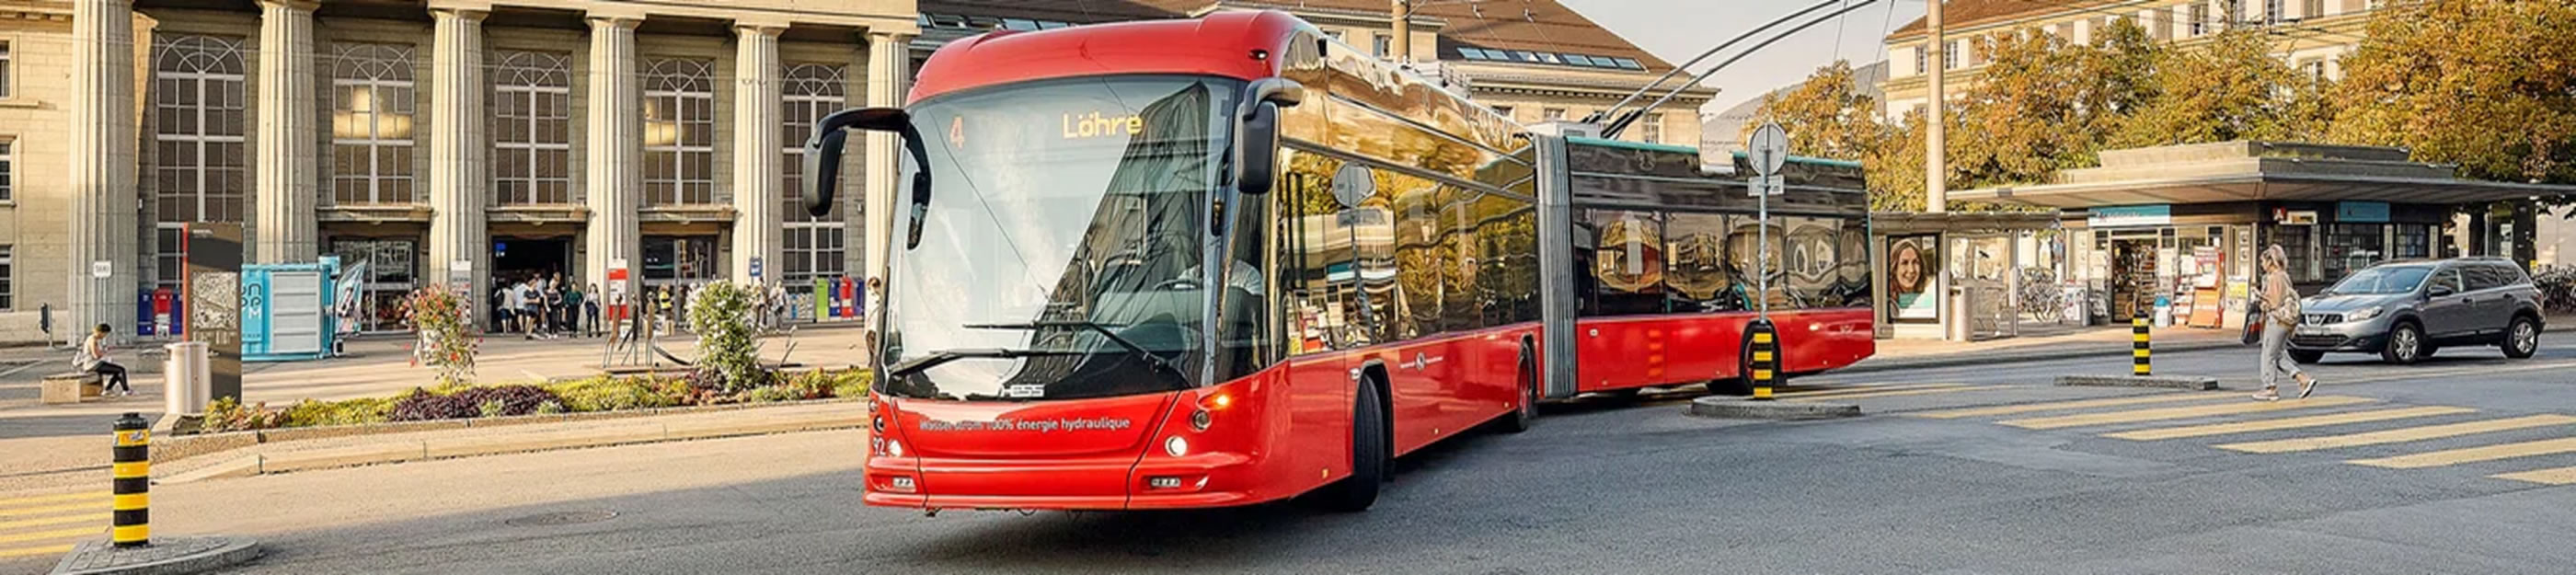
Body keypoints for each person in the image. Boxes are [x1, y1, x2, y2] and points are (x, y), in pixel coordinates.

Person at [2255, 244, 2319, 401]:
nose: (2262, 265)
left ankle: (2270, 388)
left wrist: (2260, 296)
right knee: (2277, 355)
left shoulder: (2275, 277)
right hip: (2285, 322)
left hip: (2277, 320)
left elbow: (2275, 302)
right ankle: (2303, 379)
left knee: (2268, 355)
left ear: (2271, 262)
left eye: (2263, 262)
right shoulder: (2284, 275)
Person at [75, 324, 131, 397]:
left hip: (93, 364)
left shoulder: (90, 338)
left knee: (117, 371)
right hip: (93, 364)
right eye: (105, 334)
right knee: (121, 370)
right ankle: (125, 390)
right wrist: (104, 352)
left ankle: (108, 389)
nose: (104, 336)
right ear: (101, 332)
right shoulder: (93, 340)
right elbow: (96, 355)